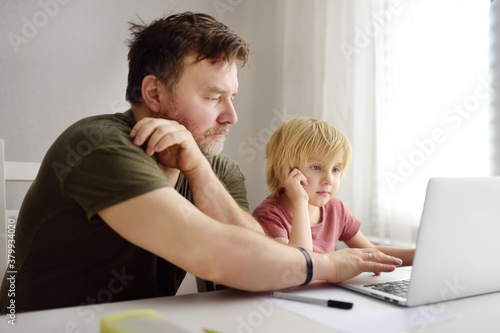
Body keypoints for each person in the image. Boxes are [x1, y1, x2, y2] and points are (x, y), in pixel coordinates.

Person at [0, 12, 402, 314]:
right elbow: (219, 257)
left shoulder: (213, 167)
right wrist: (331, 263)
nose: (231, 116)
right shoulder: (99, 145)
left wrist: (197, 169)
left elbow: (266, 258)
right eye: (213, 98)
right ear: (154, 93)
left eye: (232, 98)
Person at [253, 117, 415, 264]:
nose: (329, 180)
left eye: (336, 169)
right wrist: (300, 201)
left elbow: (372, 252)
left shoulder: (335, 209)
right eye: (316, 167)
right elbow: (299, 265)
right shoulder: (269, 216)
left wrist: (418, 256)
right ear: (285, 171)